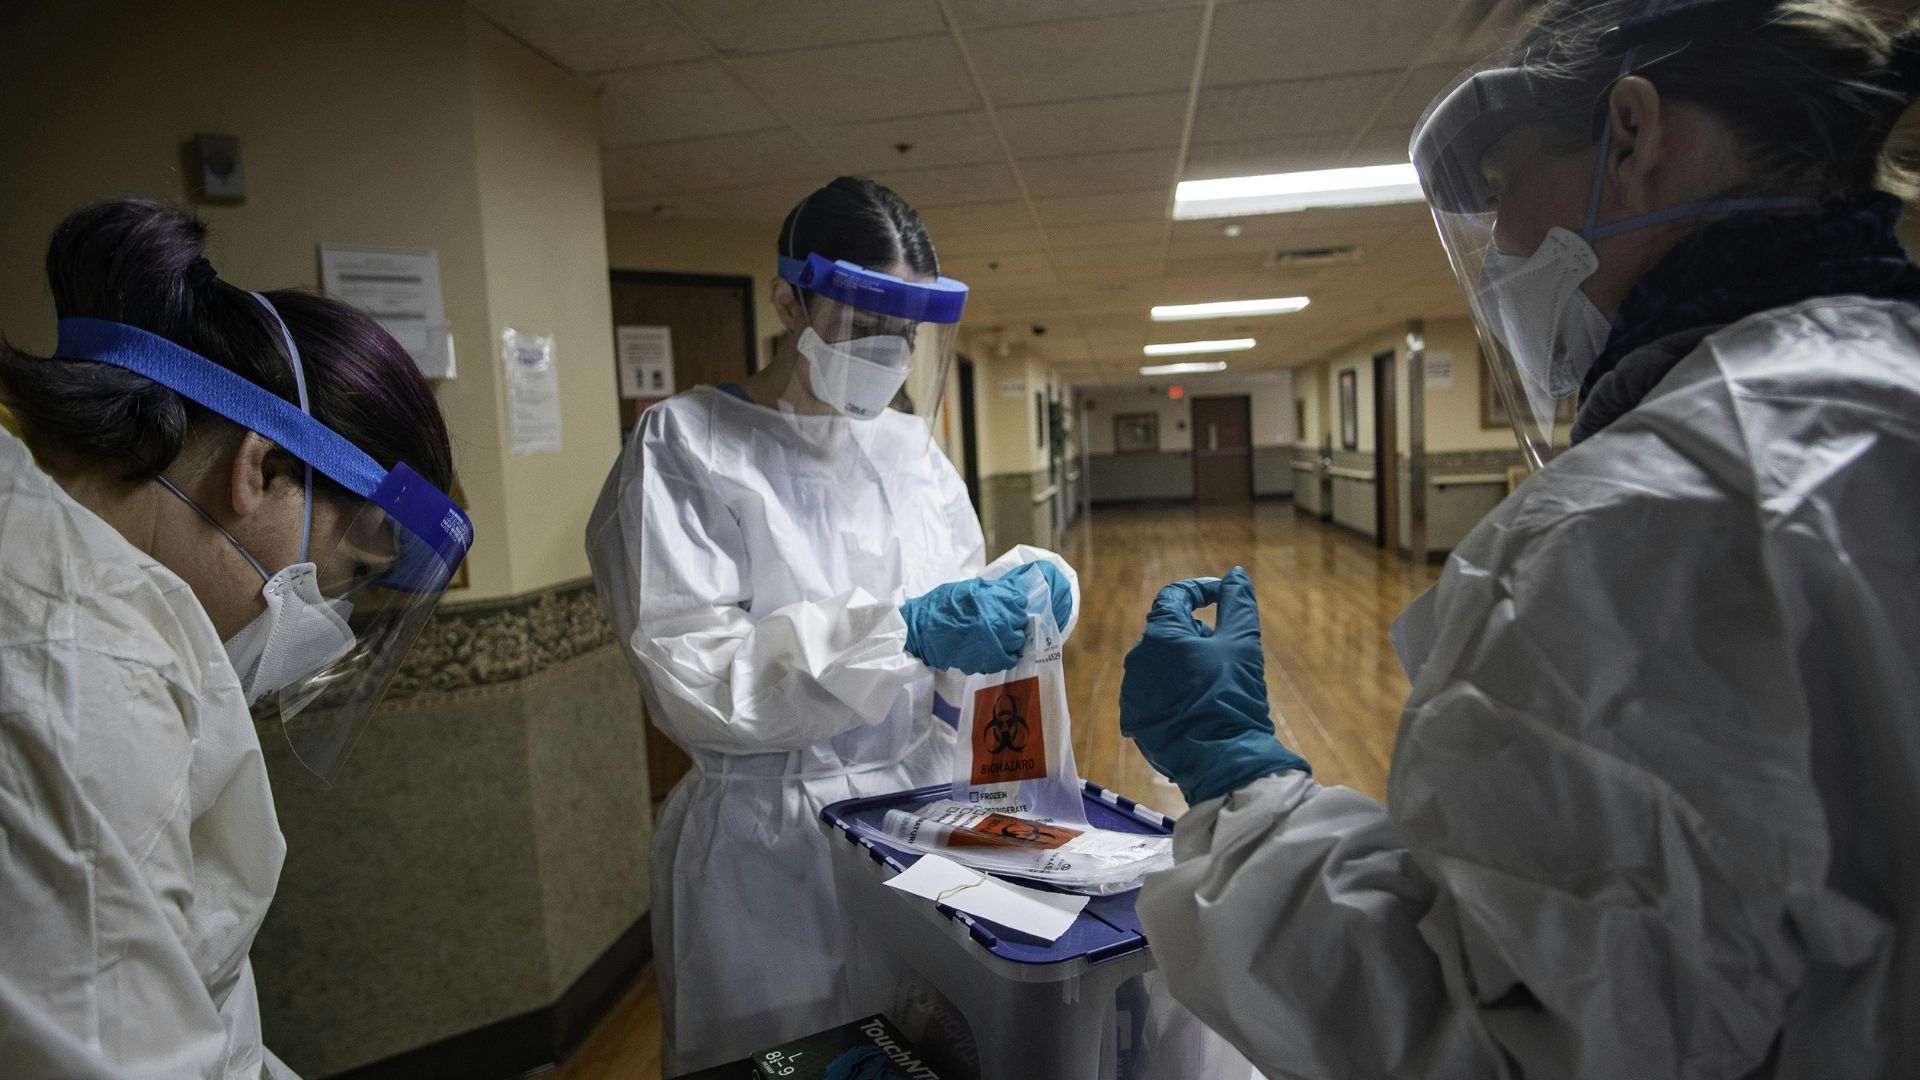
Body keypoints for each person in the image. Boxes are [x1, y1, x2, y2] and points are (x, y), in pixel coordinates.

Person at [1119, 1, 1920, 1076]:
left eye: (1502, 194)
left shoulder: (1638, 524)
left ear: (1631, 136)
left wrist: (1239, 787)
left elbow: (1506, 1035)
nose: (1498, 249)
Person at [586, 176, 1079, 1075]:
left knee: (931, 1050)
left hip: (926, 823)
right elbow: (698, 679)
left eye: (905, 332)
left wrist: (1021, 603)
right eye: (863, 324)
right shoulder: (686, 446)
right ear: (787, 299)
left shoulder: (910, 453)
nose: (887, 352)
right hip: (769, 844)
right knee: (784, 1055)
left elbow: (959, 615)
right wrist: (908, 633)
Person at [0, 200, 472, 1077]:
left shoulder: (61, 560)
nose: (328, 623)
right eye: (349, 572)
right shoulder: (81, 674)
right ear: (258, 470)